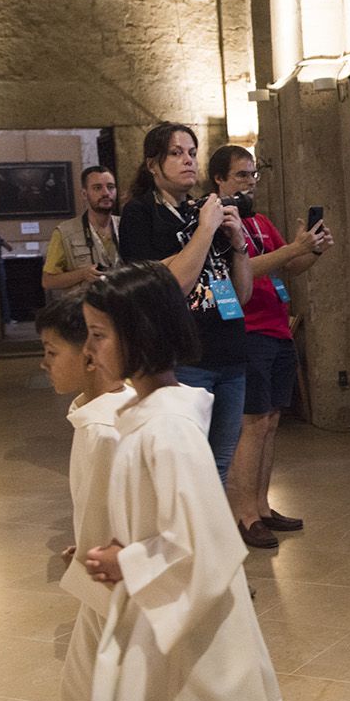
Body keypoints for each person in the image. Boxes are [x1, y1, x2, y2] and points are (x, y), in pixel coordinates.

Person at [34, 261, 350, 701]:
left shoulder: (166, 431)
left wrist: (125, 561)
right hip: (161, 612)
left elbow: (206, 542)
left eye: (101, 334)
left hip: (193, 619)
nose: (93, 348)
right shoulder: (143, 414)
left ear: (141, 336)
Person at [23, 293, 137, 701]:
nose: (44, 363)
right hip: (104, 576)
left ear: (89, 354)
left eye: (51, 351)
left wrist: (98, 553)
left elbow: (133, 516)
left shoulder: (103, 427)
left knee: (91, 690)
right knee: (85, 691)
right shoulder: (98, 413)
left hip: (119, 589)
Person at [210, 144, 332, 548]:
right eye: (241, 175)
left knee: (272, 422)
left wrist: (310, 250)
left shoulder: (260, 221)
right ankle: (245, 516)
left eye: (253, 175)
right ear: (220, 180)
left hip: (277, 328)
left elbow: (288, 265)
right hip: (247, 330)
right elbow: (237, 271)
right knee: (253, 424)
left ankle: (262, 505)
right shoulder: (217, 222)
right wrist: (291, 250)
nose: (249, 182)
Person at [116, 122, 252, 485]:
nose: (188, 160)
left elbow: (240, 296)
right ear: (152, 164)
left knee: (220, 464)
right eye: (175, 153)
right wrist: (206, 230)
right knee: (186, 467)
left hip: (230, 352)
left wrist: (238, 242)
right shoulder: (140, 214)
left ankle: (209, 539)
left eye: (192, 152)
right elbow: (172, 285)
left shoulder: (202, 209)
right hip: (185, 359)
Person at [42, 166, 123, 297]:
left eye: (111, 187)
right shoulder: (65, 232)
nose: (106, 193)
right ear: (84, 194)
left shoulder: (125, 226)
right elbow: (48, 281)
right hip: (83, 309)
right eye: (97, 188)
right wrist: (83, 274)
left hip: (121, 307)